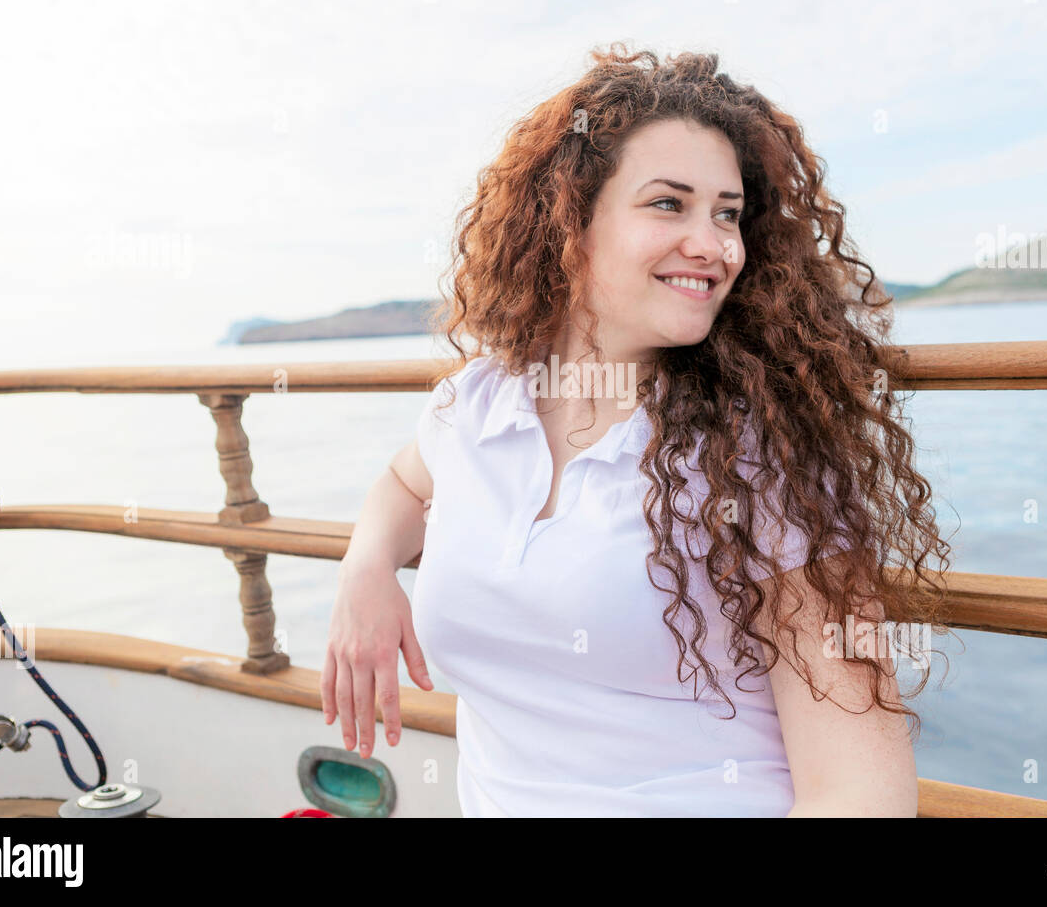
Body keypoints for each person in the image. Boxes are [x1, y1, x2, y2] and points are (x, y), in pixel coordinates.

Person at [322, 43, 951, 817]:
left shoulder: (762, 455)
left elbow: (864, 790)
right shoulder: (480, 404)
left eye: (727, 213)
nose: (714, 244)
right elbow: (404, 482)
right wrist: (365, 569)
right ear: (570, 221)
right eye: (668, 203)